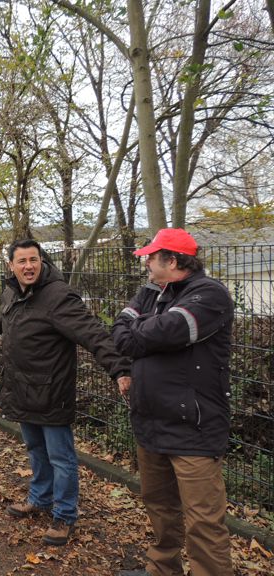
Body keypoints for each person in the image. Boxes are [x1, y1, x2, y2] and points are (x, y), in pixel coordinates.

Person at [0, 239, 130, 546]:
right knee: (35, 450)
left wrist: (119, 368)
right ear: (11, 266)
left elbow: (91, 331)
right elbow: (2, 320)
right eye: (22, 261)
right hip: (21, 389)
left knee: (61, 457)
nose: (28, 266)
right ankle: (40, 498)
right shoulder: (11, 291)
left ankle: (65, 515)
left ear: (42, 262)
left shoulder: (58, 296)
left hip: (52, 391)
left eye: (34, 260)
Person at [111, 229, 234, 576]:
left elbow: (163, 331)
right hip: (151, 423)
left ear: (174, 260)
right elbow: (120, 331)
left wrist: (140, 330)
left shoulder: (210, 295)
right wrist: (141, 329)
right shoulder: (155, 292)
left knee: (203, 523)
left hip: (192, 430)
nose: (146, 262)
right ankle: (162, 570)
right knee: (161, 509)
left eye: (152, 256)